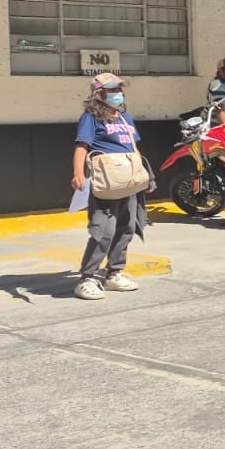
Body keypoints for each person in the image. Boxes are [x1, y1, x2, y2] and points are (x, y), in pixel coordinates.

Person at [72, 73, 150, 301]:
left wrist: (142, 175)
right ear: (99, 94)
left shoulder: (125, 117)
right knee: (103, 229)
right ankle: (87, 277)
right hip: (106, 180)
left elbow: (133, 147)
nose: (118, 94)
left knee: (126, 227)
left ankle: (114, 273)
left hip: (128, 178)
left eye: (119, 89)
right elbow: (81, 147)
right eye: (113, 90)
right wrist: (78, 174)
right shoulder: (91, 117)